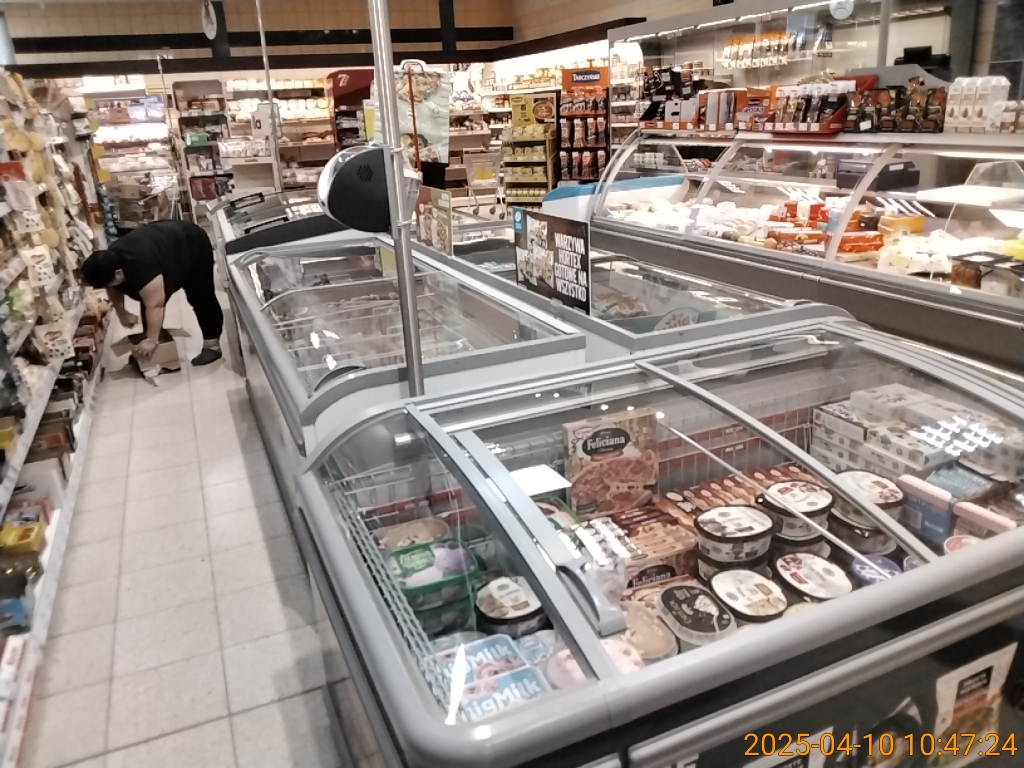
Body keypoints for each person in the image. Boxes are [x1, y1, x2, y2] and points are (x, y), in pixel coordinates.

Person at [80, 219, 223, 366]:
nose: (109, 287)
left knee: (200, 295)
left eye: (109, 283)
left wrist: (151, 340)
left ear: (118, 273)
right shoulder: (109, 262)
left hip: (191, 242)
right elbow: (112, 287)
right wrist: (121, 311)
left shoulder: (141, 265)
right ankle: (153, 355)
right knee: (146, 300)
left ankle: (212, 345)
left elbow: (155, 305)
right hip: (162, 244)